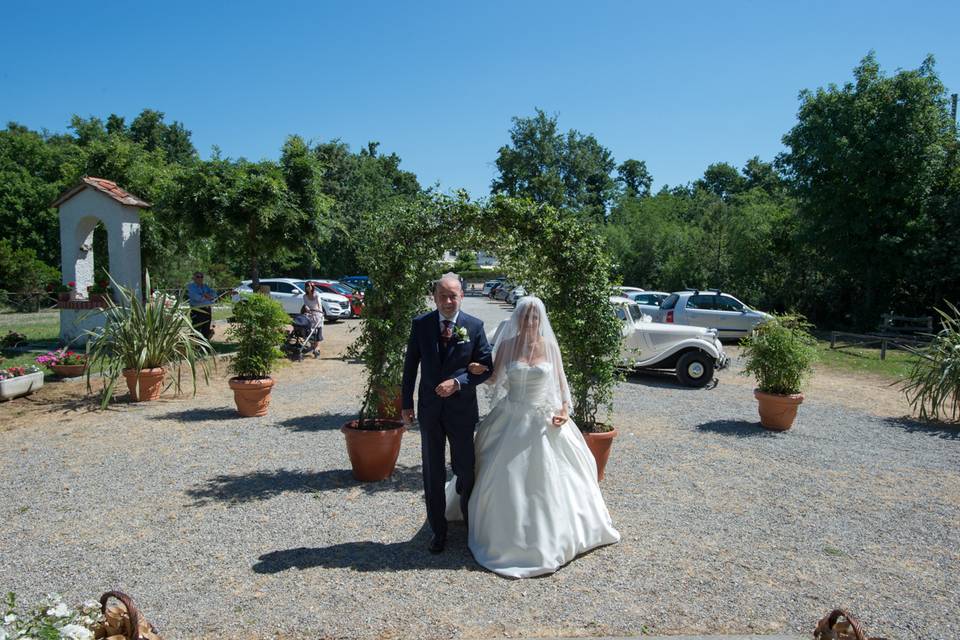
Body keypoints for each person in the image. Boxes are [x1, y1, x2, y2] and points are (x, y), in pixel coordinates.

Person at [447, 296, 620, 578]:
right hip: (510, 416)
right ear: (517, 319)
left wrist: (564, 411)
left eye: (535, 318)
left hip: (543, 418)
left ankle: (555, 535)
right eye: (525, 318)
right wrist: (475, 369)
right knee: (502, 473)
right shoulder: (506, 345)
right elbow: (494, 378)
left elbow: (561, 384)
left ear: (541, 320)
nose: (530, 322)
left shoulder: (550, 346)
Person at [401, 273, 494, 554]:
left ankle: (469, 521)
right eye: (443, 296)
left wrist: (459, 382)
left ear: (462, 296)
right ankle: (437, 531)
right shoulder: (421, 325)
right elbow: (410, 367)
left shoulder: (474, 327)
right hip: (430, 410)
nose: (448, 301)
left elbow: (486, 368)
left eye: (453, 295)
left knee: (465, 468)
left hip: (462, 410)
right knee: (432, 470)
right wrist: (406, 403)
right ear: (435, 297)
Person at [186, 272, 216, 340]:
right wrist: (207, 296)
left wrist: (206, 296)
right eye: (198, 277)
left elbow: (214, 294)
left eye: (201, 276)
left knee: (206, 328)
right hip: (197, 310)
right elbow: (196, 298)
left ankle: (205, 345)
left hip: (207, 309)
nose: (200, 278)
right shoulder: (191, 287)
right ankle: (195, 345)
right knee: (196, 329)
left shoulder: (205, 286)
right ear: (194, 278)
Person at [301, 282, 324, 356]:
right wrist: (307, 309)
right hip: (309, 314)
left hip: (317, 313)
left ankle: (316, 346)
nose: (308, 288)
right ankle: (312, 345)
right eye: (306, 286)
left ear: (312, 287)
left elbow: (319, 304)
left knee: (317, 331)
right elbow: (306, 305)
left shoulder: (316, 294)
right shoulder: (304, 296)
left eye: (309, 286)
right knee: (308, 329)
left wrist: (320, 312)